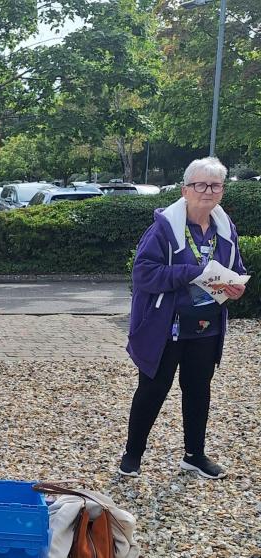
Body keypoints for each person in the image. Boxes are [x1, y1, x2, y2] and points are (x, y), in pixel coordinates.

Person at [121, 157, 247, 479]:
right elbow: (144, 274)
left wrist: (235, 285)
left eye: (215, 185)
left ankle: (194, 455)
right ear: (185, 190)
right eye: (200, 185)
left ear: (221, 191)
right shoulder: (164, 228)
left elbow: (237, 268)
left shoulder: (225, 228)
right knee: (152, 390)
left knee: (198, 391)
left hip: (205, 326)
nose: (208, 191)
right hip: (168, 328)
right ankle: (132, 456)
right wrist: (194, 273)